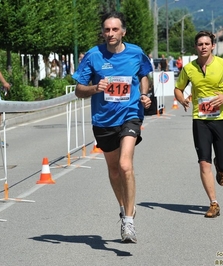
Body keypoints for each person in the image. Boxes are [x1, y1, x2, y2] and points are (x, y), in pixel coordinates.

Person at [72, 11, 152, 243]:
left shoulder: (136, 52)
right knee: (114, 169)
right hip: (104, 120)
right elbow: (79, 90)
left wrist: (144, 95)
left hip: (130, 115)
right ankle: (125, 206)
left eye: (115, 29)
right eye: (107, 30)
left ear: (123, 32)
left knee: (125, 165)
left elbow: (145, 74)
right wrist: (95, 88)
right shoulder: (93, 56)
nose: (110, 34)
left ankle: (129, 220)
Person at [174, 31, 223, 218]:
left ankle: (222, 167)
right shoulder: (189, 68)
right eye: (200, 44)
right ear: (195, 47)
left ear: (213, 46)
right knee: (203, 162)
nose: (203, 47)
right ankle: (213, 203)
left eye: (207, 44)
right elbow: (178, 88)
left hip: (222, 118)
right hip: (200, 120)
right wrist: (182, 99)